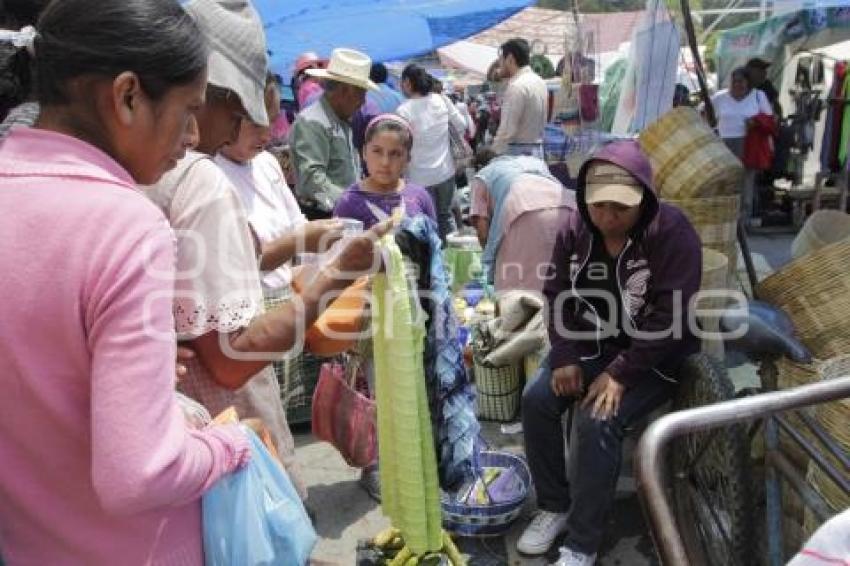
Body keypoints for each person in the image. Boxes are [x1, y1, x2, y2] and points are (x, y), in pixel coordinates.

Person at [0, 1, 253, 563]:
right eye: (188, 109)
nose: (192, 134)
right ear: (128, 96)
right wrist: (230, 445)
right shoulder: (125, 224)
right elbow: (139, 474)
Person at [145, 0, 384, 503]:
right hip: (221, 433)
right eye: (238, 114)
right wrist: (337, 274)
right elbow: (232, 359)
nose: (239, 130)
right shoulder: (198, 179)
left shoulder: (142, 172)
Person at [517, 140, 702, 565]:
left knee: (597, 418)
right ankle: (554, 505)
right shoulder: (575, 229)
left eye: (621, 207)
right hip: (590, 343)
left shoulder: (671, 232)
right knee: (536, 400)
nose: (608, 217)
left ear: (644, 198)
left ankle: (582, 542)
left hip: (656, 356)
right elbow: (558, 293)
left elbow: (670, 315)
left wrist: (620, 372)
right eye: (599, 206)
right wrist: (564, 354)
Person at [214, 72, 343, 422]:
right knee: (267, 417)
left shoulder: (268, 163)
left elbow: (296, 223)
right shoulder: (210, 176)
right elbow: (244, 261)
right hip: (254, 315)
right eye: (257, 124)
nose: (267, 134)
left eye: (271, 121)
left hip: (288, 300)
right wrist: (303, 240)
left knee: (291, 418)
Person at [469, 149, 575, 295]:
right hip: (566, 206)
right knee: (556, 276)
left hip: (521, 211)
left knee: (514, 286)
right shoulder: (534, 162)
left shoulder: (482, 176)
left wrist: (491, 260)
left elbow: (482, 230)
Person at [290, 47, 378, 218]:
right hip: (323, 215)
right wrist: (353, 202)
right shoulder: (312, 123)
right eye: (361, 94)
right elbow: (312, 182)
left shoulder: (342, 120)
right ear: (345, 91)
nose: (363, 102)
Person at [396, 63, 467, 241]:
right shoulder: (441, 100)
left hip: (418, 177)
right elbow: (462, 125)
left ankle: (430, 262)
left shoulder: (403, 110)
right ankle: (450, 259)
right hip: (445, 172)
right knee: (445, 217)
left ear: (407, 82)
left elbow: (400, 145)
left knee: (423, 221)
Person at [334, 114, 436, 228]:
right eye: (377, 151)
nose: (385, 162)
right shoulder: (349, 203)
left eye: (395, 154)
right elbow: (339, 245)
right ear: (364, 153)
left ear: (408, 158)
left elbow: (434, 242)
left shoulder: (420, 196)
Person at [711, 67, 774, 227]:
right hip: (723, 144)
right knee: (724, 182)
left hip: (748, 144)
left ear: (748, 82)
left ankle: (743, 221)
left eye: (741, 81)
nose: (737, 84)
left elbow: (770, 119)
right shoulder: (719, 97)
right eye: (734, 81)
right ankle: (723, 218)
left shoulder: (758, 96)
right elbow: (704, 115)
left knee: (745, 182)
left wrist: (755, 122)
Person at [492, 38, 548, 157]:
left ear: (510, 59)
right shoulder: (540, 82)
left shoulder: (516, 87)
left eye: (501, 61)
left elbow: (507, 132)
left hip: (518, 156)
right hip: (537, 152)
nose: (500, 66)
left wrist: (493, 154)